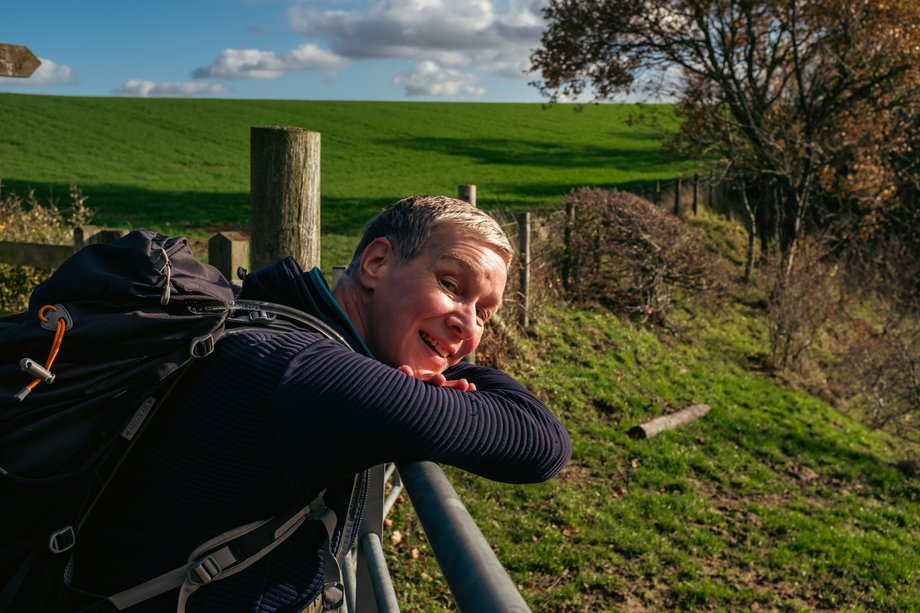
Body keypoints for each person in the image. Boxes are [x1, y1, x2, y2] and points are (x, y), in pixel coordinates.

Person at [69, 195, 571, 611]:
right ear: (376, 262)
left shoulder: (275, 317)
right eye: (449, 284)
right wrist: (435, 364)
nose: (468, 324)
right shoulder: (312, 372)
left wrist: (435, 352)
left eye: (484, 313)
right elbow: (543, 443)